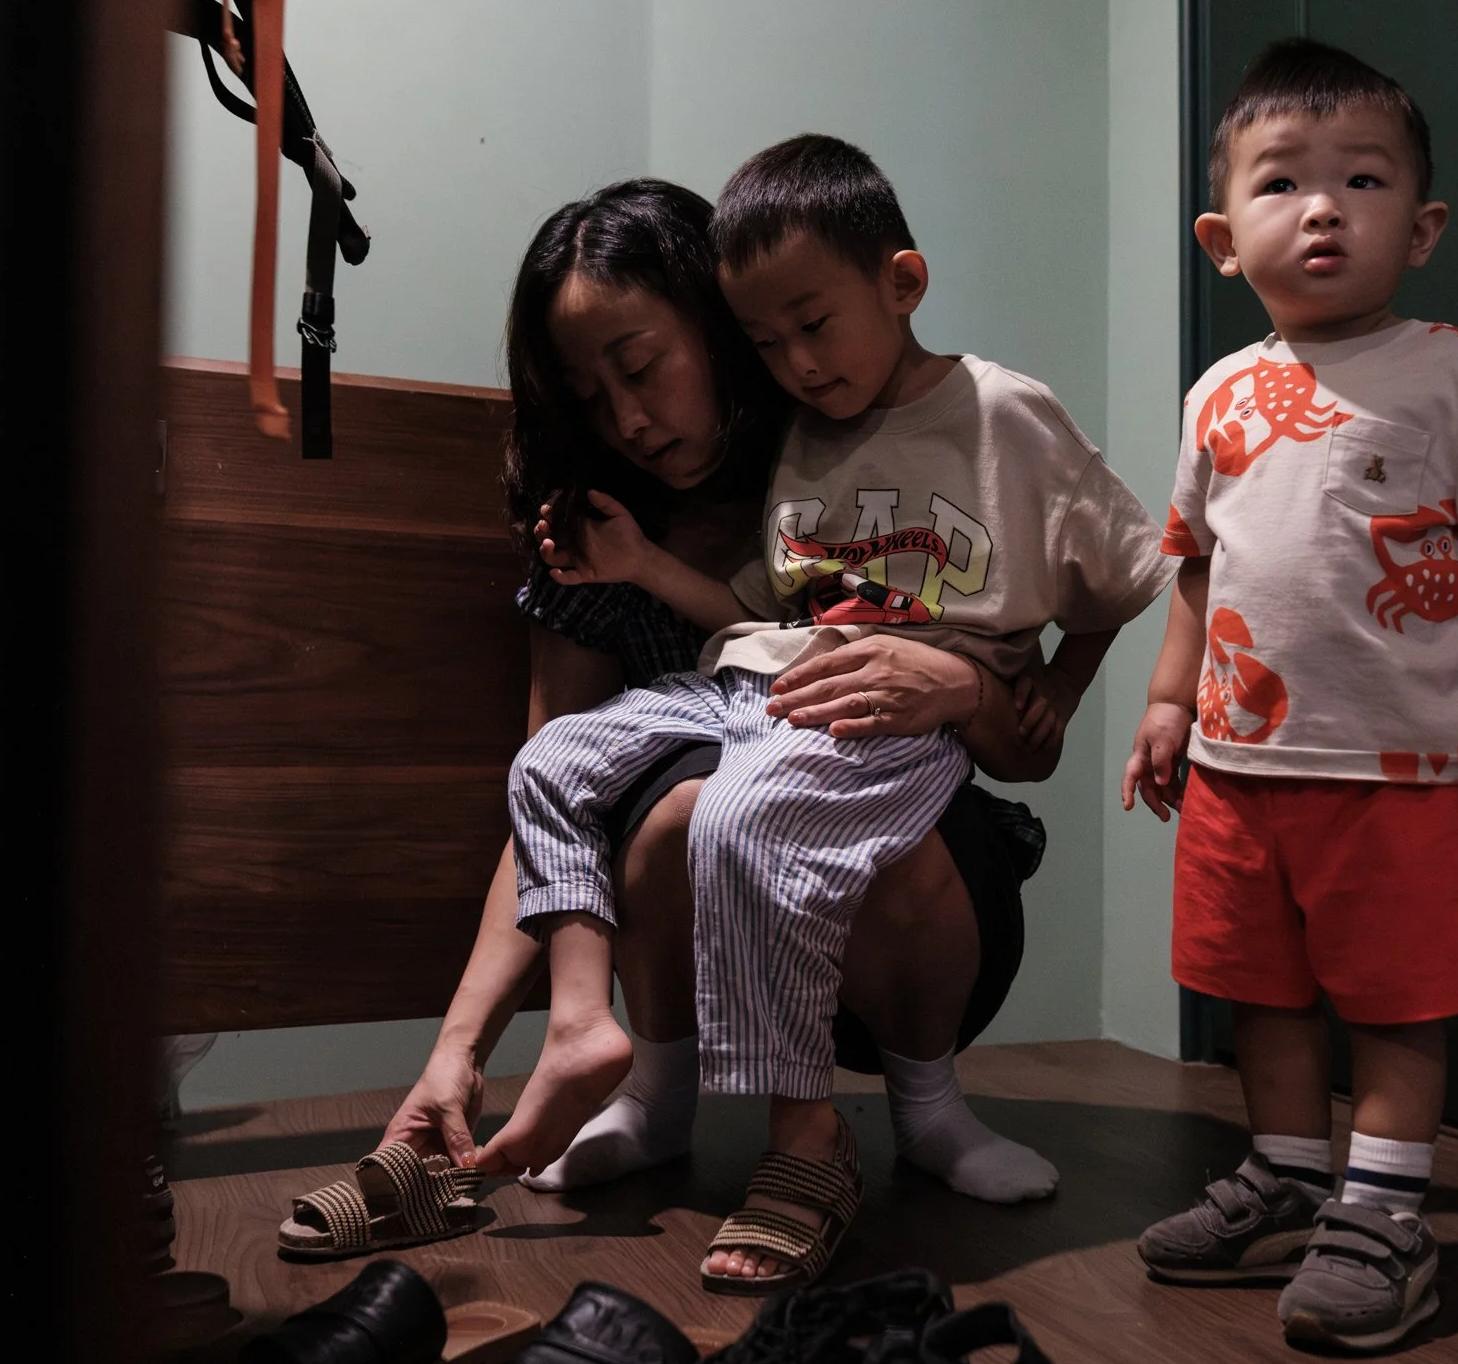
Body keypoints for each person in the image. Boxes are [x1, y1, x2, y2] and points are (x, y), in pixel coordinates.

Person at [492, 138, 1175, 1291]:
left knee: (726, 819)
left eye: (813, 326)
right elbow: (757, 609)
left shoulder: (1001, 411)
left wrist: (1054, 682)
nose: (796, 364)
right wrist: (643, 564)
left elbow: (1121, 572)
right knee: (554, 760)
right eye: (766, 344)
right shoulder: (800, 440)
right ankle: (623, 1065)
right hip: (759, 679)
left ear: (902, 284)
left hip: (884, 721)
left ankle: (824, 1134)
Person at [380, 178, 1068, 1219]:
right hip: (712, 940)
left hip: (913, 904)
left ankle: (928, 1113)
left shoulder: (857, 455)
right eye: (587, 390)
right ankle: (659, 1099)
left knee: (780, 798)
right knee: (668, 804)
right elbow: (549, 813)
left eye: (641, 367)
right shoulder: (597, 547)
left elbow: (1029, 754)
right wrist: (457, 1053)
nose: (626, 417)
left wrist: (960, 683)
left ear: (719, 326)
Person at [1121, 40, 1458, 1351]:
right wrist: (1167, 704)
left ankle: (1385, 1213)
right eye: (1283, 183)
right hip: (1239, 768)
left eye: (1363, 180)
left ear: (1421, 226)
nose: (1323, 206)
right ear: (1224, 237)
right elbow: (1197, 569)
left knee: (1393, 998)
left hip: (1403, 769)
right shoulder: (1217, 392)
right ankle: (1285, 1177)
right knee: (1261, 988)